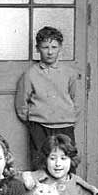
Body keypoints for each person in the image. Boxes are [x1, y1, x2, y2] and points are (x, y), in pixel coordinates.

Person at [15, 26, 79, 167]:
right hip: (39, 126)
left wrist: (68, 115)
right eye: (45, 47)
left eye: (54, 47)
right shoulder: (30, 74)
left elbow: (76, 100)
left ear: (60, 48)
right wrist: (35, 118)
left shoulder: (69, 73)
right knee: (40, 162)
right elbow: (21, 103)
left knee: (67, 162)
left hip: (65, 124)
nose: (50, 52)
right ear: (38, 49)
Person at [22, 134, 98, 195]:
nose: (58, 164)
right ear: (45, 160)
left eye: (63, 158)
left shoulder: (81, 190)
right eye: (52, 158)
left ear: (71, 160)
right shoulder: (34, 181)